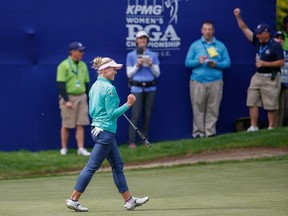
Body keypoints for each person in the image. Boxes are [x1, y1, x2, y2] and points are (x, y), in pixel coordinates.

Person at [65, 57, 149, 212]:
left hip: (98, 130)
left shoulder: (95, 86)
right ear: (103, 70)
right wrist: (128, 104)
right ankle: (73, 199)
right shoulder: (109, 88)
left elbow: (93, 111)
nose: (115, 71)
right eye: (113, 69)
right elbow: (112, 114)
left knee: (117, 166)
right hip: (106, 133)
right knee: (92, 166)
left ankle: (129, 200)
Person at [234, 8, 285, 131]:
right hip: (258, 76)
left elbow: (281, 62)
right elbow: (244, 28)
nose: (257, 35)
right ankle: (253, 126)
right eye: (257, 32)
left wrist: (265, 63)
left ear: (267, 33)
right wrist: (238, 16)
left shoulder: (275, 45)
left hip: (271, 78)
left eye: (260, 33)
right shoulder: (257, 41)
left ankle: (271, 127)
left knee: (271, 105)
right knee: (252, 100)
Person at [184, 21, 231, 138]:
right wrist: (197, 61)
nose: (207, 32)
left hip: (216, 81)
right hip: (198, 81)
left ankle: (210, 133)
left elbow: (227, 63)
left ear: (213, 31)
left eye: (210, 29)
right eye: (205, 29)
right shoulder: (195, 45)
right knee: (197, 108)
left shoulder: (220, 45)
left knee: (213, 108)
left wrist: (217, 64)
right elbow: (187, 63)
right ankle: (198, 133)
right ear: (201, 30)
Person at [126, 30, 160, 148]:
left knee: (147, 115)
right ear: (136, 41)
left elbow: (157, 74)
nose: (142, 40)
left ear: (147, 40)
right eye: (140, 38)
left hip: (150, 88)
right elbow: (129, 74)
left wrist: (150, 64)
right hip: (136, 88)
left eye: (144, 38)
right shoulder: (131, 55)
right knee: (135, 115)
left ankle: (144, 140)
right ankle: (131, 142)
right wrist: (137, 65)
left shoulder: (153, 55)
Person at [56, 41, 91, 156]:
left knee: (81, 123)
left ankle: (80, 148)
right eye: (80, 51)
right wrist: (66, 100)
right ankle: (64, 148)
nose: (82, 53)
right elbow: (60, 84)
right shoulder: (63, 65)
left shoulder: (83, 65)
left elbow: (86, 84)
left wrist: (89, 97)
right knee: (66, 124)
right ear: (72, 52)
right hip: (68, 97)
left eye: (82, 51)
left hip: (81, 96)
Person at [274, 31, 288, 127]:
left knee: (283, 107)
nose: (279, 40)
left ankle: (278, 127)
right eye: (277, 38)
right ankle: (273, 126)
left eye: (281, 38)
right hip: (274, 82)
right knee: (274, 106)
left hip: (285, 83)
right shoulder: (271, 51)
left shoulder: (286, 53)